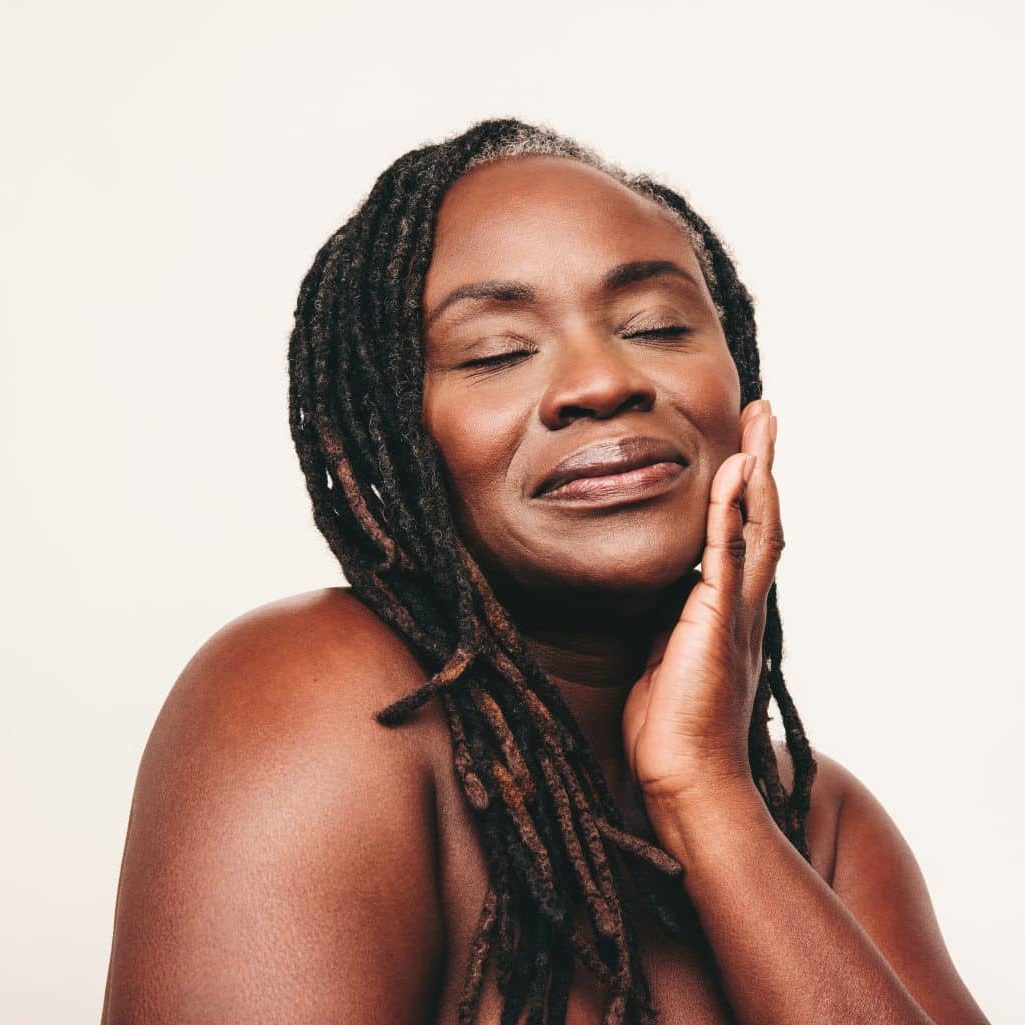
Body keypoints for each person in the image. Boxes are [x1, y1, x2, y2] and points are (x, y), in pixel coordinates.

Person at [101, 118, 990, 1025]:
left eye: (657, 325)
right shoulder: (315, 694)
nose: (603, 381)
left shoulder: (818, 822)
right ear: (392, 442)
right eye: (497, 351)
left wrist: (707, 796)